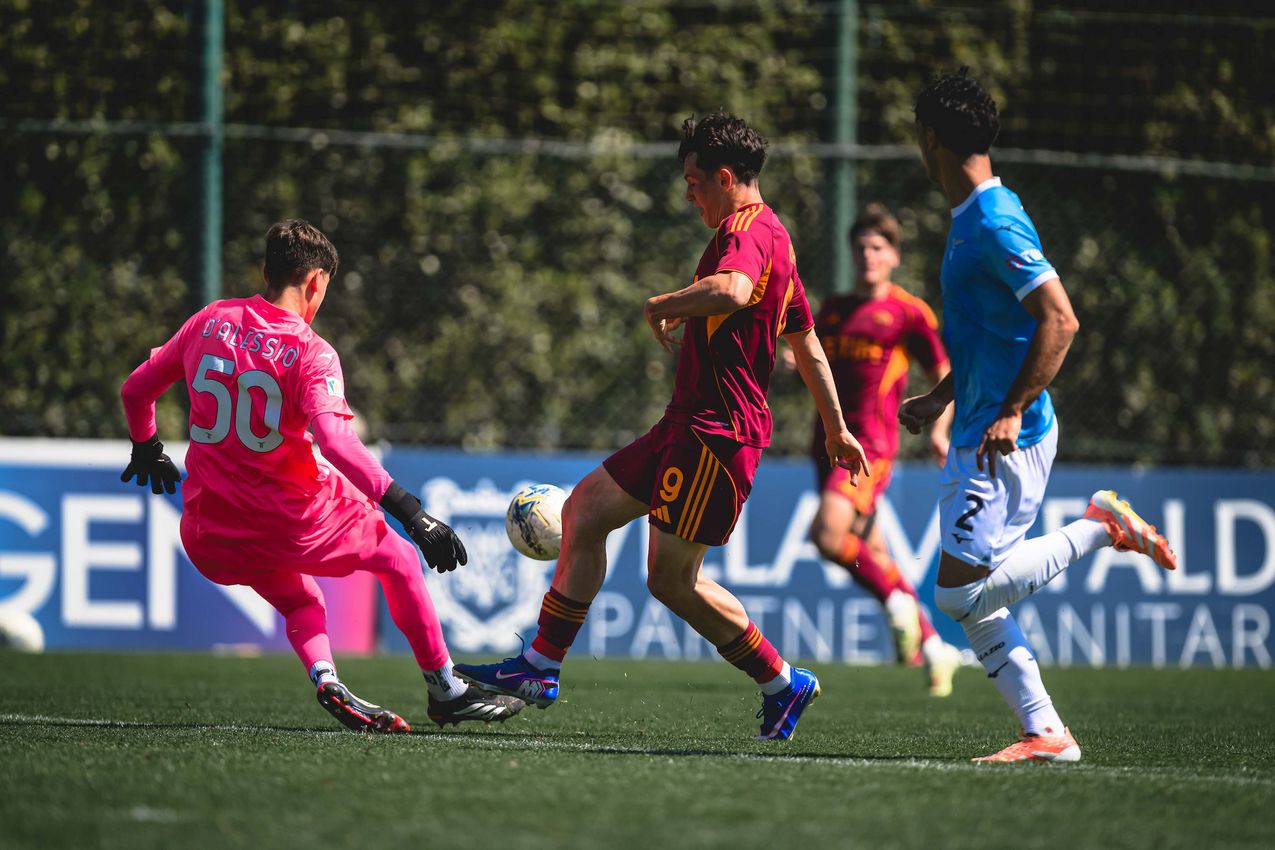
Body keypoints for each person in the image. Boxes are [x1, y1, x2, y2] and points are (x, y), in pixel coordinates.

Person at [457, 113, 869, 741]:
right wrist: (836, 429)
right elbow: (806, 342)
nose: (690, 195)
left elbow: (733, 290)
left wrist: (663, 304)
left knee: (672, 580)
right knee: (584, 511)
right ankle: (539, 666)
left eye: (694, 182)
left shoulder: (746, 231)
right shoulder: (777, 239)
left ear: (725, 178)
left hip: (716, 433)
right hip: (687, 423)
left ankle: (782, 681)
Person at [119, 220, 524, 732]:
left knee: (300, 599)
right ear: (316, 282)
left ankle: (326, 677)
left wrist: (146, 445)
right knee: (399, 558)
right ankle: (446, 690)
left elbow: (136, 390)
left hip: (210, 534)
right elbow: (335, 442)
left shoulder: (209, 321)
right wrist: (412, 512)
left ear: (266, 272)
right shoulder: (312, 352)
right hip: (292, 521)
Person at [898, 70, 1177, 763]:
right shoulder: (972, 218)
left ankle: (1100, 526)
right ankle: (1046, 732)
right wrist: (940, 398)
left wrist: (1012, 408)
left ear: (931, 139)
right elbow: (988, 335)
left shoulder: (993, 220)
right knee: (976, 600)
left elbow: (1059, 319)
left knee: (957, 596)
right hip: (978, 428)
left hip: (1005, 439)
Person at [802, 203, 963, 696]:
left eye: (878, 247)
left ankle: (897, 605)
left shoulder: (908, 313)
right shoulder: (833, 310)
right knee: (871, 552)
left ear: (894, 255)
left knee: (827, 535)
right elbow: (813, 361)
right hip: (825, 443)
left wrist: (939, 430)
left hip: (870, 447)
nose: (868, 255)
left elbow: (944, 376)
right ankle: (935, 648)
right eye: (861, 248)